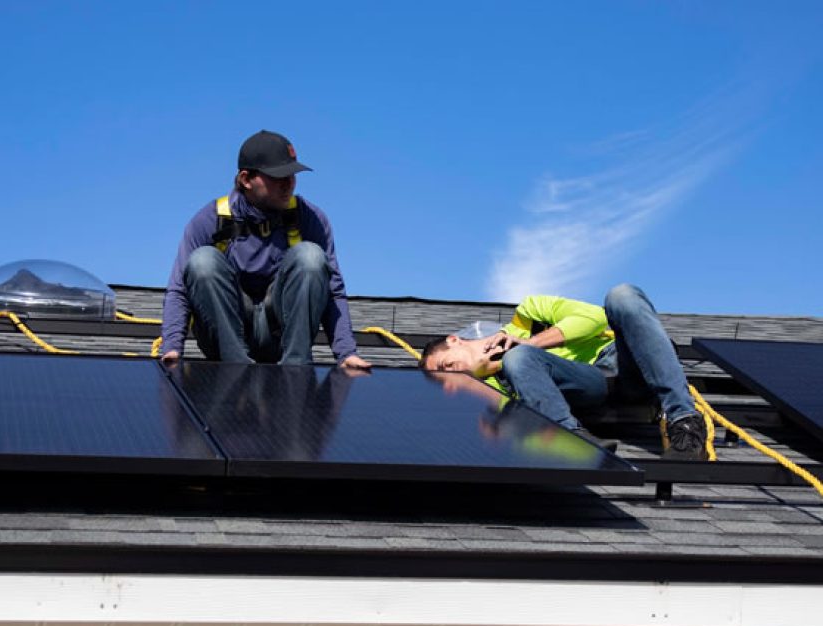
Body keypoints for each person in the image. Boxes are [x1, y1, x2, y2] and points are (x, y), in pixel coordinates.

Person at [419, 283, 709, 460]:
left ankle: (685, 423)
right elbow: (508, 425)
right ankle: (573, 439)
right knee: (519, 359)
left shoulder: (529, 313)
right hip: (592, 385)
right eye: (445, 377)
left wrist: (532, 342)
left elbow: (595, 318)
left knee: (623, 295)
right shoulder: (489, 390)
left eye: (446, 365)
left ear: (454, 339)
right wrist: (492, 370)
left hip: (629, 362)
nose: (451, 375)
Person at [161, 130, 371, 369]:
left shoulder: (309, 219)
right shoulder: (212, 220)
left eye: (292, 175)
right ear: (245, 179)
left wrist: (346, 352)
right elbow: (179, 290)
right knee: (202, 262)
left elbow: (333, 291)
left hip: (279, 334)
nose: (288, 183)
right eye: (278, 176)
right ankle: (235, 371)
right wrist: (172, 347)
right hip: (227, 338)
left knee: (310, 257)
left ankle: (295, 372)